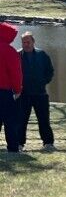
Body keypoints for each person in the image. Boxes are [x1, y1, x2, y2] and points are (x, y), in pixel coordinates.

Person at [18, 31, 55, 150]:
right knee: (21, 120)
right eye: (24, 42)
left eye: (28, 42)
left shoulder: (42, 54)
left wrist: (43, 82)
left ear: (33, 42)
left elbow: (50, 71)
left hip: (40, 93)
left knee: (44, 119)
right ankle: (19, 143)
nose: (26, 44)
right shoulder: (17, 55)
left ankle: (48, 142)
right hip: (23, 94)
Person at [0, 21, 22, 153]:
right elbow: (15, 72)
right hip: (4, 91)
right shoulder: (9, 51)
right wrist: (18, 89)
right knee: (10, 120)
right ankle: (13, 148)